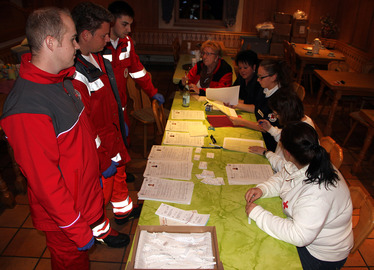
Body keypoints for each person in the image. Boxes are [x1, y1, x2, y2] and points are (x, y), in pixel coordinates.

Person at [0, 7, 129, 269]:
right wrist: (75, 227)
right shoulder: (27, 108)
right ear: (50, 42)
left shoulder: (61, 80)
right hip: (65, 218)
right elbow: (44, 181)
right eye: (71, 39)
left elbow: (87, 133)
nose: (77, 46)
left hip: (86, 200)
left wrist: (103, 159)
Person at [245, 122, 353, 270]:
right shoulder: (307, 161)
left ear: (287, 152)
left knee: (260, 255)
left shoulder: (318, 193)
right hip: (308, 234)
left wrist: (258, 214)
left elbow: (299, 236)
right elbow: (283, 176)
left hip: (320, 256)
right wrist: (264, 189)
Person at [71, 2, 141, 228]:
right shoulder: (76, 72)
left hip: (112, 134)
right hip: (100, 147)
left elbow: (110, 96)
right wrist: (102, 157)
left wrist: (120, 123)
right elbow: (84, 125)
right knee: (99, 196)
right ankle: (100, 232)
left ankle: (122, 211)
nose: (107, 39)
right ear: (85, 34)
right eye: (103, 35)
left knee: (119, 178)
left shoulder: (97, 55)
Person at [103, 0, 164, 132]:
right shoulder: (98, 44)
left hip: (121, 107)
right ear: (111, 21)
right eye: (124, 24)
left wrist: (152, 92)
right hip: (104, 113)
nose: (129, 30)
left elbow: (138, 71)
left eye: (130, 25)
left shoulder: (127, 42)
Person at [229, 59, 292, 151]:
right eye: (258, 76)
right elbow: (258, 108)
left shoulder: (280, 100)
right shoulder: (265, 88)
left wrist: (242, 122)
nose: (258, 80)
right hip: (261, 131)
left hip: (271, 142)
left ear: (273, 77)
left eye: (261, 77)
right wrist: (235, 104)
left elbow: (265, 128)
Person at [249, 90, 315, 172]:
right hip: (277, 162)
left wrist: (267, 153)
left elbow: (287, 169)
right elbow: (285, 136)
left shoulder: (303, 131)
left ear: (285, 113)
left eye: (277, 114)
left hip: (280, 170)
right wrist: (270, 129)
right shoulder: (298, 121)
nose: (277, 117)